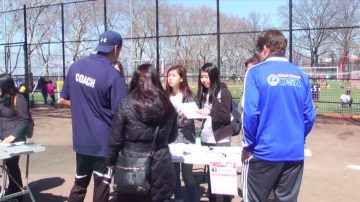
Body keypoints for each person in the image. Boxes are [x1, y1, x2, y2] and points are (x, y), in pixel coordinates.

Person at [241, 29, 316, 202]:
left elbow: (251, 113)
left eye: (259, 51)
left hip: (264, 152)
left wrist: (248, 145)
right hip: (294, 152)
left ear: (266, 48)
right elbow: (309, 116)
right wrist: (298, 137)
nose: (259, 56)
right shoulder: (301, 75)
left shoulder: (255, 72)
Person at [60, 30, 128, 202]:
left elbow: (63, 99)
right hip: (104, 143)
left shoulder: (76, 67)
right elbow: (122, 113)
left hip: (81, 140)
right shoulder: (113, 75)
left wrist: (85, 107)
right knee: (102, 186)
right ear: (115, 48)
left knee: (80, 184)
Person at [107, 64, 178, 202]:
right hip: (160, 163)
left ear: (135, 80)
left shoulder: (126, 104)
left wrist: (110, 161)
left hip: (131, 164)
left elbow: (115, 139)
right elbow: (172, 136)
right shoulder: (167, 104)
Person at [196, 63, 233, 202]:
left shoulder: (223, 92)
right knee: (212, 177)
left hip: (220, 139)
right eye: (201, 77)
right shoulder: (204, 92)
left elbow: (225, 117)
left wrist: (210, 112)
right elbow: (205, 116)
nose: (204, 80)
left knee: (222, 176)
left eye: (206, 77)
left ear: (214, 76)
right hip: (206, 138)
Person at [165, 64, 198, 202]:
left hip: (186, 139)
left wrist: (178, 118)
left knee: (187, 175)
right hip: (170, 140)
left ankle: (191, 198)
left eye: (174, 75)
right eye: (169, 75)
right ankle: (178, 198)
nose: (170, 78)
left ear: (181, 78)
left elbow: (191, 120)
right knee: (173, 174)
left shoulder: (189, 96)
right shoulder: (165, 95)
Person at [0, 74, 32, 202]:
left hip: (15, 139)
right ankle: (12, 189)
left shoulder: (18, 99)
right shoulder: (2, 99)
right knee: (8, 165)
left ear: (5, 86)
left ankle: (18, 194)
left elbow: (24, 120)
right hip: (3, 139)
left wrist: (13, 136)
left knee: (12, 165)